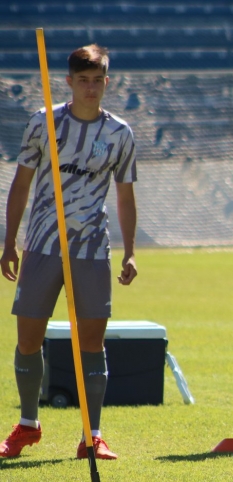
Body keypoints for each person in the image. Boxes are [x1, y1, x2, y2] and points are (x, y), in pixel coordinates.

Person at [0, 44, 138, 460]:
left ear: (106, 83)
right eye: (83, 81)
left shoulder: (119, 133)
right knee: (28, 339)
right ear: (69, 82)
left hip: (92, 247)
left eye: (98, 81)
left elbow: (125, 196)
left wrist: (131, 251)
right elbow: (21, 184)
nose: (91, 88)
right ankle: (27, 426)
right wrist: (9, 241)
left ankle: (91, 435)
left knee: (91, 342)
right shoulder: (44, 122)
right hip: (42, 243)